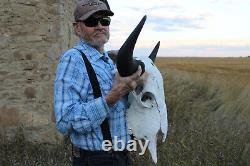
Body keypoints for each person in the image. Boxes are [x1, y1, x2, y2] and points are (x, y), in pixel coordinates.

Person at [54, 0, 147, 165]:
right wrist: (113, 95)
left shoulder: (108, 62)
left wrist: (138, 84)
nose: (99, 26)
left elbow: (122, 108)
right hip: (96, 159)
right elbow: (65, 121)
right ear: (77, 28)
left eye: (105, 20)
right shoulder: (73, 59)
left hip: (122, 155)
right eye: (91, 21)